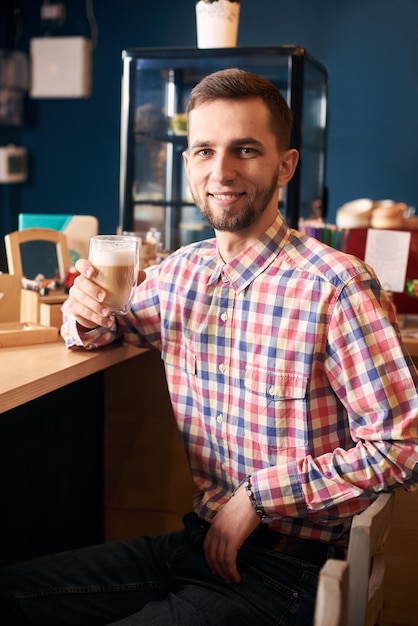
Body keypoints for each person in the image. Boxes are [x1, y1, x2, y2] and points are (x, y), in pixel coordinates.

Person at [1, 68, 418, 626]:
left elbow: (400, 447)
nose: (221, 172)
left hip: (288, 575)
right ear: (188, 165)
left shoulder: (337, 286)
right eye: (203, 151)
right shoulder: (179, 274)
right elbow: (109, 328)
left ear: (286, 166)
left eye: (245, 150)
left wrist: (259, 496)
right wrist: (83, 312)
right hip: (193, 546)